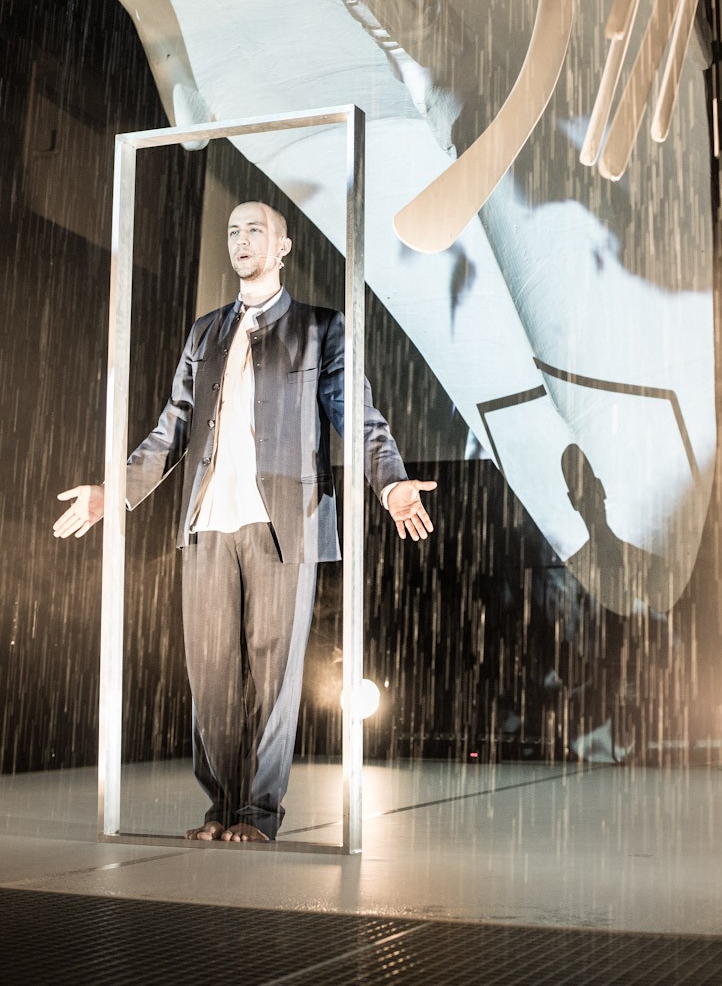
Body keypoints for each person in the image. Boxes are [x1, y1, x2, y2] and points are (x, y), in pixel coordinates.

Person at [54, 200, 436, 843]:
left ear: (283, 247)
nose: (241, 239)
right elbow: (172, 426)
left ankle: (258, 813)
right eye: (233, 230)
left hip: (284, 522)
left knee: (273, 676)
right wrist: (113, 493)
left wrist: (391, 481)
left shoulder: (320, 328)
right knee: (211, 675)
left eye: (255, 230)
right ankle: (220, 808)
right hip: (207, 521)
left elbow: (356, 414)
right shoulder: (206, 331)